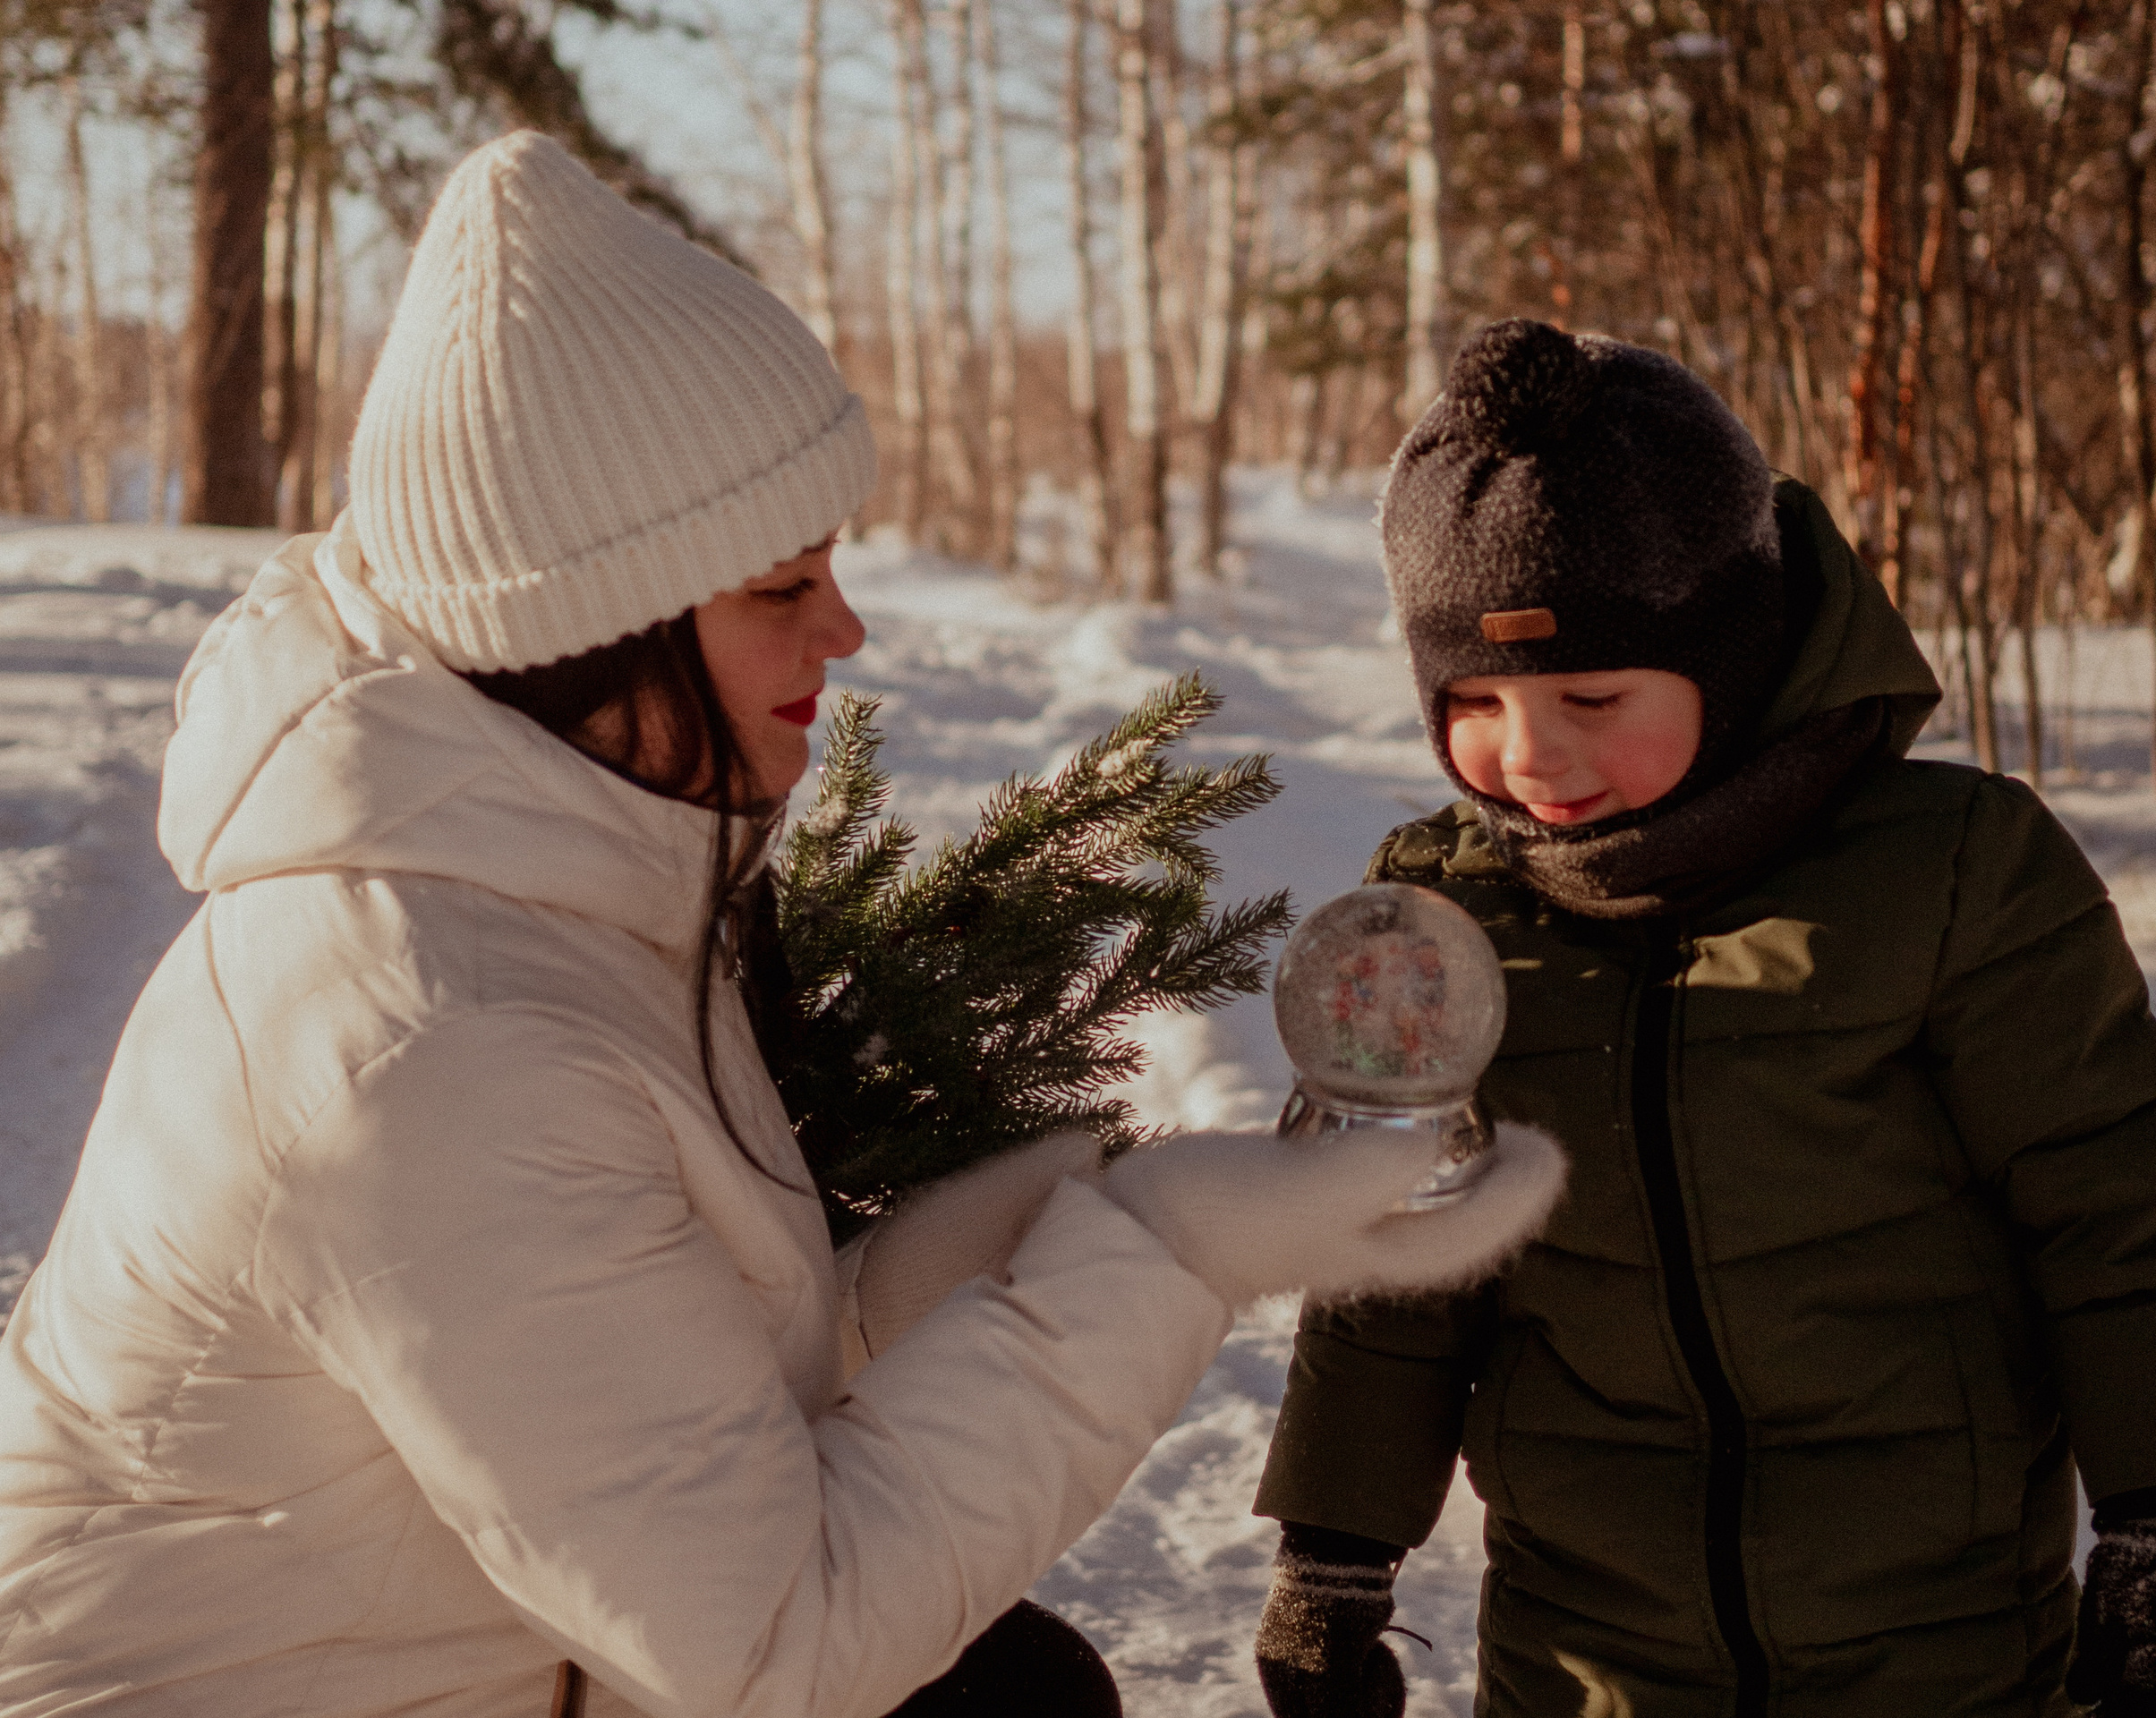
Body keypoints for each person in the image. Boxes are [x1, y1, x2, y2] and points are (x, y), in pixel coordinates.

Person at [0, 135, 1569, 1718]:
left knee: (1011, 1689)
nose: (846, 627)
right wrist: (1165, 1257)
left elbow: (690, 1391)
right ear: (589, 622)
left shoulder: (531, 871)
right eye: (779, 584)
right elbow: (772, 1656)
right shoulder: (435, 1042)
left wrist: (1073, 1211)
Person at [1248, 319, 2156, 1718]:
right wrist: (1334, 1547)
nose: (1532, 753)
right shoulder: (1442, 918)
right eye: (1474, 698)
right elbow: (1398, 1256)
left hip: (1933, 1626)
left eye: (1594, 694)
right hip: (1581, 1643)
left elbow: (2110, 1214)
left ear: (1729, 656)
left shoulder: (1957, 871)